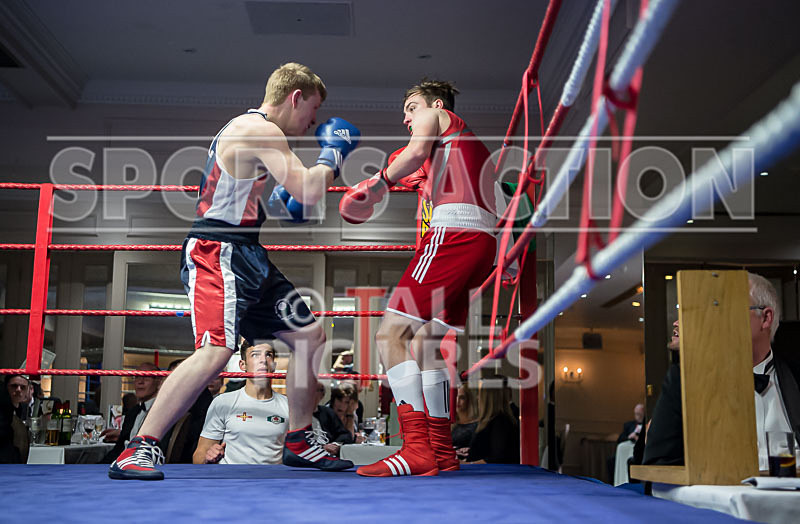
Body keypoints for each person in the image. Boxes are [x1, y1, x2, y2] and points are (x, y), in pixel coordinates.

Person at [109, 63, 359, 480]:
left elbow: (280, 202)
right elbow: (310, 190)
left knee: (309, 335)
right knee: (216, 350)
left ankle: (298, 440)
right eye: (311, 111)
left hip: (247, 252)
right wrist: (334, 152)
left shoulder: (257, 136)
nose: (313, 122)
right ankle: (139, 447)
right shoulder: (259, 130)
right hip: (218, 250)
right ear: (295, 97)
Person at [340, 79, 497, 476]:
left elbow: (411, 154)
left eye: (411, 107)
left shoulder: (437, 117)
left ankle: (415, 449)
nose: (406, 116)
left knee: (389, 335)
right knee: (428, 343)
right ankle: (441, 452)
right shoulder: (462, 150)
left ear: (435, 105)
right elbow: (418, 166)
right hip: (482, 244)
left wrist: (378, 183)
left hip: (453, 235)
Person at [644, 272, 800, 468]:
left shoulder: (795, 377)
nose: (712, 319)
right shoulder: (683, 382)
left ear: (765, 318)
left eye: (724, 308)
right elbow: (657, 467)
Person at [193, 340, 289, 465]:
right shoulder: (223, 402)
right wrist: (208, 457)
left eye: (268, 355)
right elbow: (198, 456)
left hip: (273, 480)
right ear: (242, 365)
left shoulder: (289, 406)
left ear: (274, 366)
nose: (263, 360)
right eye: (255, 355)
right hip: (231, 480)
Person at [101, 362, 163, 463]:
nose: (140, 382)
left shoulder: (163, 411)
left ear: (159, 381)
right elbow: (118, 449)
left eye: (146, 377)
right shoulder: (132, 413)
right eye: (137, 377)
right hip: (121, 463)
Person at [466, 377, 520, 464]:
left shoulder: (501, 421)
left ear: (488, 397)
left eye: (480, 393)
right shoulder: (493, 419)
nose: (477, 397)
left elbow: (497, 457)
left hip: (488, 474)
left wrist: (469, 464)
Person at [452, 383, 478, 461]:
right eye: (455, 396)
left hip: (469, 467)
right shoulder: (449, 423)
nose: (457, 401)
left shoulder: (477, 425)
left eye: (462, 398)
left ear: (469, 400)